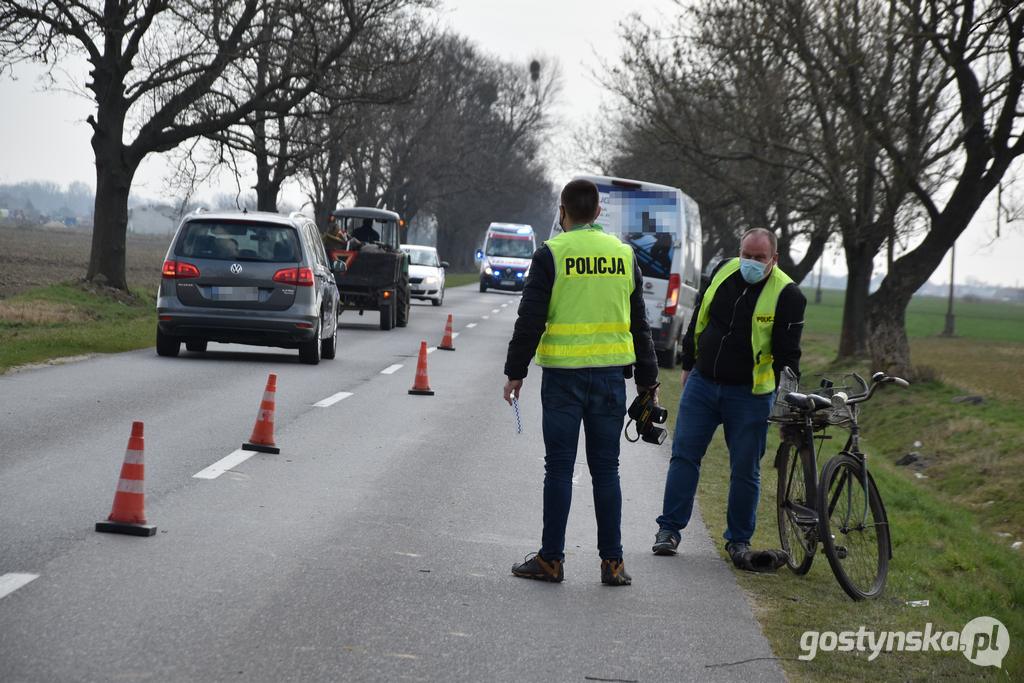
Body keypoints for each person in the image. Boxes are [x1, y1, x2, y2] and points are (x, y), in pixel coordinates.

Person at [503, 178, 659, 586]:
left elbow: (531, 317)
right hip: (610, 379)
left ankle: (551, 560)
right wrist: (648, 380)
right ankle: (613, 564)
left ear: (562, 211)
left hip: (563, 380)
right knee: (607, 471)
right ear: (598, 214)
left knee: (559, 468)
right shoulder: (624, 255)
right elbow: (639, 323)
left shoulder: (552, 253)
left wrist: (515, 372)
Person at [651, 228, 806, 568]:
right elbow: (699, 318)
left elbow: (788, 358)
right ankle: (669, 532)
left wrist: (785, 407)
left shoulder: (788, 295)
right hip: (703, 383)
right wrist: (689, 364)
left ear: (773, 259)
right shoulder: (723, 269)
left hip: (750, 395)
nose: (750, 262)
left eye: (759, 258)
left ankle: (738, 542)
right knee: (683, 456)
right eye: (746, 255)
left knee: (745, 471)